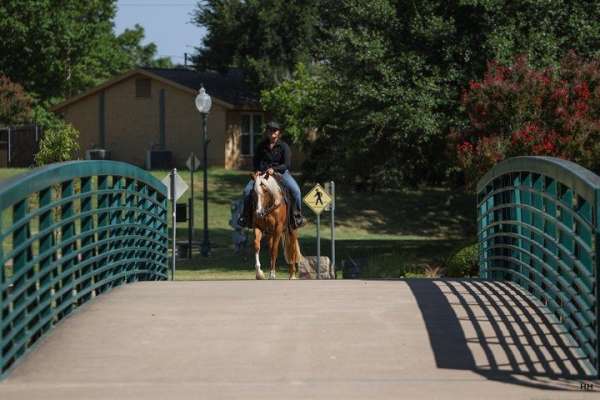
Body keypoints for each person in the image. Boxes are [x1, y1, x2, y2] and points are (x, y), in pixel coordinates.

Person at [238, 121, 306, 229]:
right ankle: (245, 217)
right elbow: (256, 160)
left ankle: (297, 217)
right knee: (246, 191)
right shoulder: (261, 146)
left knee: (296, 191)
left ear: (279, 133)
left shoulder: (284, 147)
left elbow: (287, 164)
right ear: (267, 132)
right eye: (270, 130)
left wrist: (274, 170)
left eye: (275, 130)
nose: (272, 132)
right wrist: (256, 170)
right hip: (262, 174)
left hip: (281, 173)